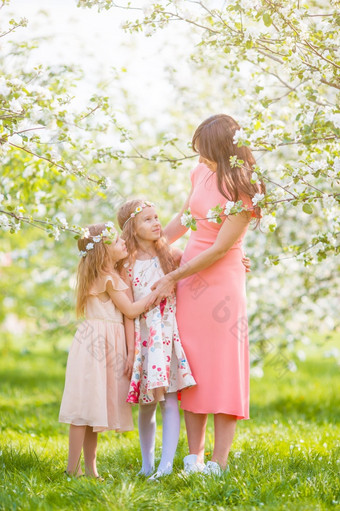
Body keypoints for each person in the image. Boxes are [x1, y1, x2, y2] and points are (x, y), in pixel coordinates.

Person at [151, 114, 265, 476]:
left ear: (223, 149)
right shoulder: (200, 173)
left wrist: (175, 275)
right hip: (189, 279)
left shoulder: (245, 188)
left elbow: (219, 249)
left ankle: (218, 462)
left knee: (223, 368)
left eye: (206, 152)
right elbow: (185, 218)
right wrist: (150, 247)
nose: (200, 158)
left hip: (220, 282)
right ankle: (193, 458)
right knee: (192, 366)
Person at [59, 222, 156, 478]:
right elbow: (132, 310)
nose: (123, 242)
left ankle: (89, 469)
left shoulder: (102, 275)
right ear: (103, 251)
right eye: (116, 241)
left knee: (93, 407)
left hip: (97, 342)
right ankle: (72, 468)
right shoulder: (109, 278)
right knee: (83, 409)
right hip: (98, 345)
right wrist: (159, 292)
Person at [116, 199, 196, 480]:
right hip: (143, 338)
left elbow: (201, 262)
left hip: (167, 335)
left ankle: (166, 465)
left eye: (157, 217)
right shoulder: (125, 264)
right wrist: (130, 350)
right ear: (132, 229)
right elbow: (127, 311)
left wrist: (237, 259)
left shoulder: (171, 254)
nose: (156, 223)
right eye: (147, 219)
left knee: (170, 398)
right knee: (147, 402)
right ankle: (147, 464)